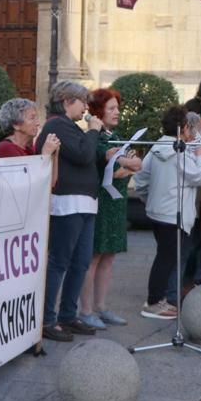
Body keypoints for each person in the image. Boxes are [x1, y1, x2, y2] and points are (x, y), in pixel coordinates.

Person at [34, 81, 103, 341]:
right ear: (66, 101)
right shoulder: (56, 125)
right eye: (82, 101)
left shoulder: (71, 127)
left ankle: (68, 314)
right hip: (67, 203)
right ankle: (48, 319)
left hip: (84, 202)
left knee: (81, 262)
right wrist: (94, 131)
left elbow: (87, 155)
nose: (86, 107)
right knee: (60, 261)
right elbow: (84, 154)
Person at [133, 106, 201, 319]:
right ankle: (153, 302)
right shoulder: (179, 151)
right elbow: (199, 177)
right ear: (182, 128)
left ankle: (159, 299)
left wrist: (149, 199)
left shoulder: (157, 147)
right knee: (166, 259)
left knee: (165, 257)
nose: (191, 132)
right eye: (188, 127)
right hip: (172, 214)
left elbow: (141, 178)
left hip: (157, 212)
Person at [78, 88, 136, 330]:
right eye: (111, 108)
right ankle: (85, 310)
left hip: (116, 202)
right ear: (98, 111)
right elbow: (116, 165)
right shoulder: (97, 137)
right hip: (101, 202)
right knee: (93, 257)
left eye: (117, 108)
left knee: (109, 256)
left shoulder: (118, 135)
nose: (117, 112)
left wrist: (122, 168)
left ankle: (101, 306)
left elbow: (137, 163)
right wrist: (123, 167)